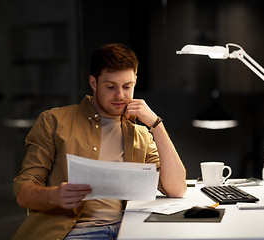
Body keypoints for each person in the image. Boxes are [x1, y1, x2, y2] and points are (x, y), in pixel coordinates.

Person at [13, 43, 187, 240]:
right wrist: (54, 195)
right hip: (77, 232)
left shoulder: (140, 133)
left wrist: (156, 125)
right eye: (111, 87)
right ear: (94, 83)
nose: (120, 95)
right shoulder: (54, 121)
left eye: (127, 86)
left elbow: (177, 189)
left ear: (135, 82)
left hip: (129, 229)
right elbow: (23, 191)